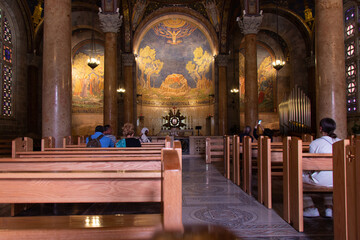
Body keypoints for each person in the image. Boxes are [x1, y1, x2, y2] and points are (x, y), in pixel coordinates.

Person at [303, 117, 341, 218]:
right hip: (340, 179)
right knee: (330, 177)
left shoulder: (315, 143)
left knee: (297, 178)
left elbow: (311, 165)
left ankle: (310, 208)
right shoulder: (341, 142)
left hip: (322, 180)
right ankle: (329, 208)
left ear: (320, 128)